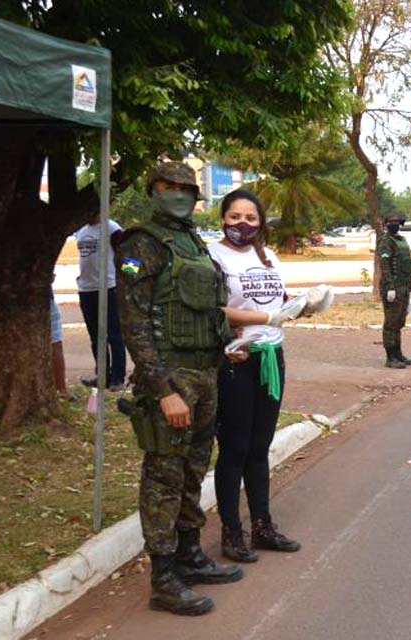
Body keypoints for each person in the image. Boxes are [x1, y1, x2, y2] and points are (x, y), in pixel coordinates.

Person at [115, 161, 242, 616]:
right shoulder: (140, 244)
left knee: (192, 472)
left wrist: (226, 346)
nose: (179, 195)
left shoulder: (192, 242)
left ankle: (189, 555)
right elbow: (134, 324)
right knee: (164, 477)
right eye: (169, 187)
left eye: (186, 189)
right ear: (154, 191)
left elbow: (207, 307)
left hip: (205, 373)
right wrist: (162, 388)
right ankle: (163, 577)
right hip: (171, 379)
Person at [206, 189, 301, 563]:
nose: (242, 224)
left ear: (260, 222)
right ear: (223, 219)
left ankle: (263, 526)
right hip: (237, 360)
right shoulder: (213, 256)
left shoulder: (267, 255)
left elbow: (273, 300)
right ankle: (232, 533)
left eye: (250, 218)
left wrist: (298, 306)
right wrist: (265, 319)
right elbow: (213, 308)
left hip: (271, 358)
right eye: (234, 217)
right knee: (235, 449)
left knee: (260, 447)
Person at [75, 213, 127, 390]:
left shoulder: (112, 228)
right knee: (96, 337)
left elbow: (128, 255)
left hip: (109, 288)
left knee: (114, 335)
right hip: (86, 290)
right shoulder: (81, 231)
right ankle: (103, 376)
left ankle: (118, 378)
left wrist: (129, 278)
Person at [378, 214, 411, 369]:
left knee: (399, 322)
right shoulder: (386, 241)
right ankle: (390, 357)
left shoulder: (401, 240)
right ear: (386, 224)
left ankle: (398, 353)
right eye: (391, 223)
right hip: (392, 287)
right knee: (391, 323)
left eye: (397, 222)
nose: (394, 225)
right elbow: (385, 265)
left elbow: (407, 264)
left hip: (404, 286)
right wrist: (390, 287)